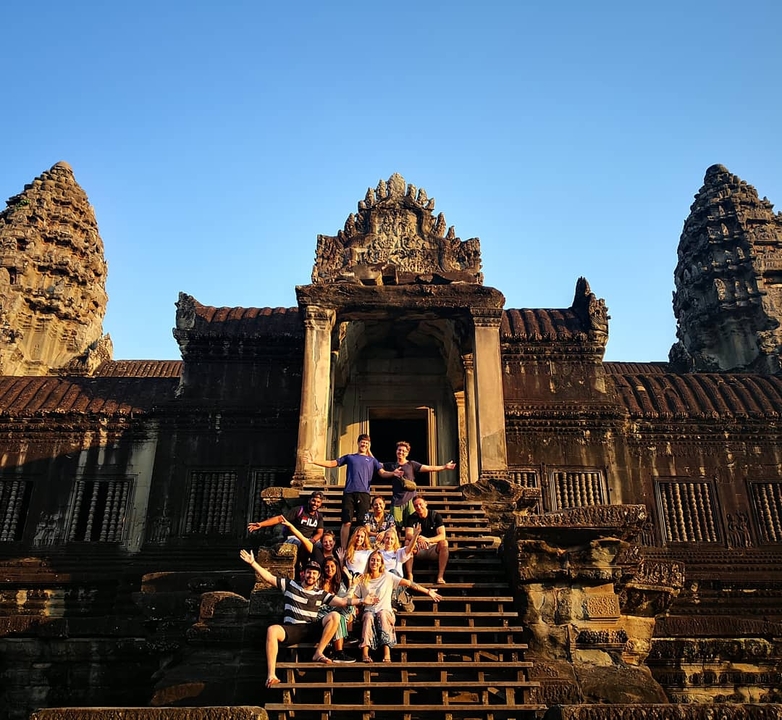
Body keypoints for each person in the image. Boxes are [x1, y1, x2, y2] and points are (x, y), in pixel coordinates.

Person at [239, 550, 376, 687]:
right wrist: (253, 563)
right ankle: (271, 675)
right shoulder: (290, 585)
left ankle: (318, 652)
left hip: (310, 628)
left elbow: (342, 602)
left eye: (314, 573)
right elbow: (269, 578)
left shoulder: (320, 593)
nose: (311, 575)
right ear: (303, 573)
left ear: (318, 576)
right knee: (272, 630)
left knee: (335, 616)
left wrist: (363, 600)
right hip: (292, 629)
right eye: (309, 572)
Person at [304, 434, 401, 550]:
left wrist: (393, 474)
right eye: (362, 442)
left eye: (366, 443)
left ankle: (361, 548)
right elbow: (332, 463)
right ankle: (344, 549)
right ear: (358, 443)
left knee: (362, 523)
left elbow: (382, 473)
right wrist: (313, 461)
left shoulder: (372, 460)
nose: (364, 445)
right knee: (346, 522)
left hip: (364, 493)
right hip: (349, 493)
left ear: (369, 445)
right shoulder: (350, 457)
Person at [353, 550, 442, 663]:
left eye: (377, 560)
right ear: (369, 561)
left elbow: (409, 584)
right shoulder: (362, 579)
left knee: (382, 614)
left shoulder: (388, 576)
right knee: (369, 616)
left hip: (385, 611)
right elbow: (354, 597)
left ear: (381, 563)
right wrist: (358, 601)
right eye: (372, 560)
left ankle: (387, 652)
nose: (375, 562)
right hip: (368, 611)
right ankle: (365, 653)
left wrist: (428, 591)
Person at [383, 441, 456, 526]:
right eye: (399, 450)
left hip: (411, 500)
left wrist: (444, 467)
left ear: (407, 453)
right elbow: (375, 464)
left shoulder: (411, 464)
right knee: (394, 526)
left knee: (411, 525)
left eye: (403, 451)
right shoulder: (391, 465)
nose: (401, 452)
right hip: (396, 500)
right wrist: (367, 451)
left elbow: (429, 468)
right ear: (396, 451)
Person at [247, 490, 325, 570]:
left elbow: (320, 533)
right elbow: (280, 519)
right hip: (294, 538)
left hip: (309, 540)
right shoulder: (298, 510)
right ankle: (301, 567)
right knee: (302, 544)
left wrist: (312, 540)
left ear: (321, 503)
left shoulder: (319, 516)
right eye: (314, 500)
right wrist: (261, 524)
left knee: (322, 546)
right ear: (309, 500)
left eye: (318, 502)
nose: (315, 503)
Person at [317, 557, 358, 663]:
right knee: (337, 616)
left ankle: (347, 635)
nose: (329, 569)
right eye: (326, 567)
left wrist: (351, 582)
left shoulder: (339, 584)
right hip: (320, 614)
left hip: (333, 612)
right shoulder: (318, 582)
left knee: (350, 605)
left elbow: (346, 599)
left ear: (336, 568)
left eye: (332, 566)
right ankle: (338, 652)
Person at [404, 494, 449, 584]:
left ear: (426, 504)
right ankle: (409, 575)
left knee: (444, 543)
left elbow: (442, 535)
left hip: (432, 547)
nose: (418, 507)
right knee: (407, 542)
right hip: (418, 548)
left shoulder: (435, 516)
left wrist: (427, 540)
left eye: (420, 504)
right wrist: (418, 538)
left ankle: (440, 576)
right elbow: (408, 534)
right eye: (416, 506)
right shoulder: (412, 517)